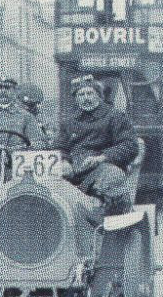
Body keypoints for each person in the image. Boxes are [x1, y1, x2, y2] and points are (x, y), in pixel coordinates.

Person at [58, 75, 139, 215]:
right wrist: (64, 161)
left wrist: (101, 158)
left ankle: (106, 220)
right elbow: (60, 146)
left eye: (90, 93)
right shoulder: (69, 121)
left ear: (99, 95)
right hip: (73, 171)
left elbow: (130, 145)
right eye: (81, 94)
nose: (85, 98)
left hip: (103, 169)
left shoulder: (115, 117)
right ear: (76, 98)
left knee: (113, 176)